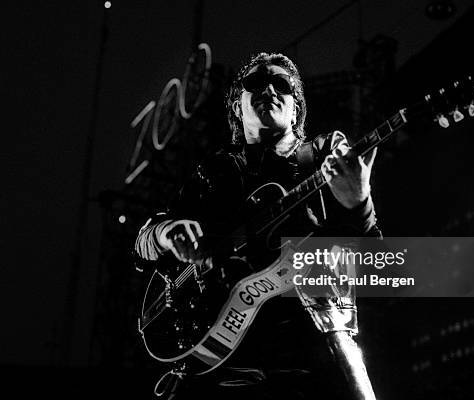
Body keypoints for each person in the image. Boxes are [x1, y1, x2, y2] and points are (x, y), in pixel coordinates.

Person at [135, 52, 380, 399]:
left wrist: (359, 203)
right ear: (237, 107)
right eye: (255, 83)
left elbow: (376, 269)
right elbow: (143, 245)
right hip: (222, 370)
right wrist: (165, 233)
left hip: (315, 365)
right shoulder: (215, 172)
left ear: (296, 108)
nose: (269, 88)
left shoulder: (325, 155)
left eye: (282, 84)